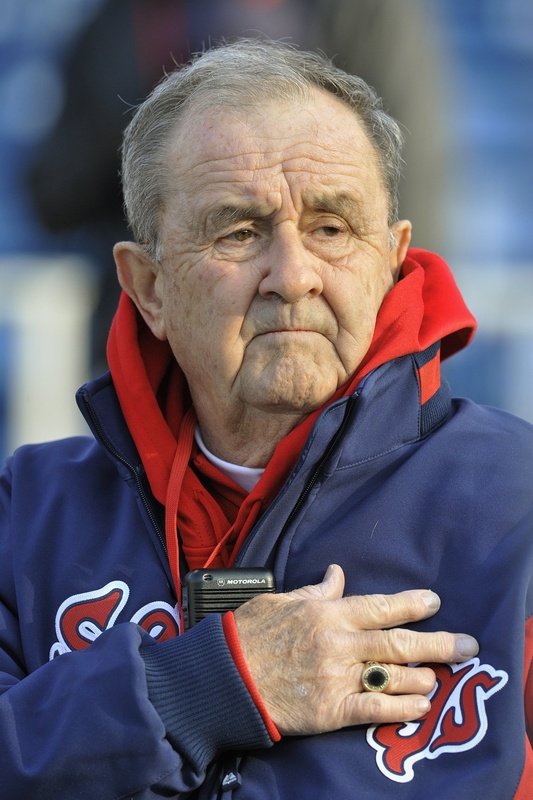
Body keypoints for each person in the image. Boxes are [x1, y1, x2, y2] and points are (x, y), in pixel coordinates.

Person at [1, 39, 531, 799]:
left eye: (331, 228)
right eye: (239, 232)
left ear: (390, 258)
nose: (291, 276)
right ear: (147, 287)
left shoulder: (520, 499)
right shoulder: (28, 512)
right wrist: (207, 688)